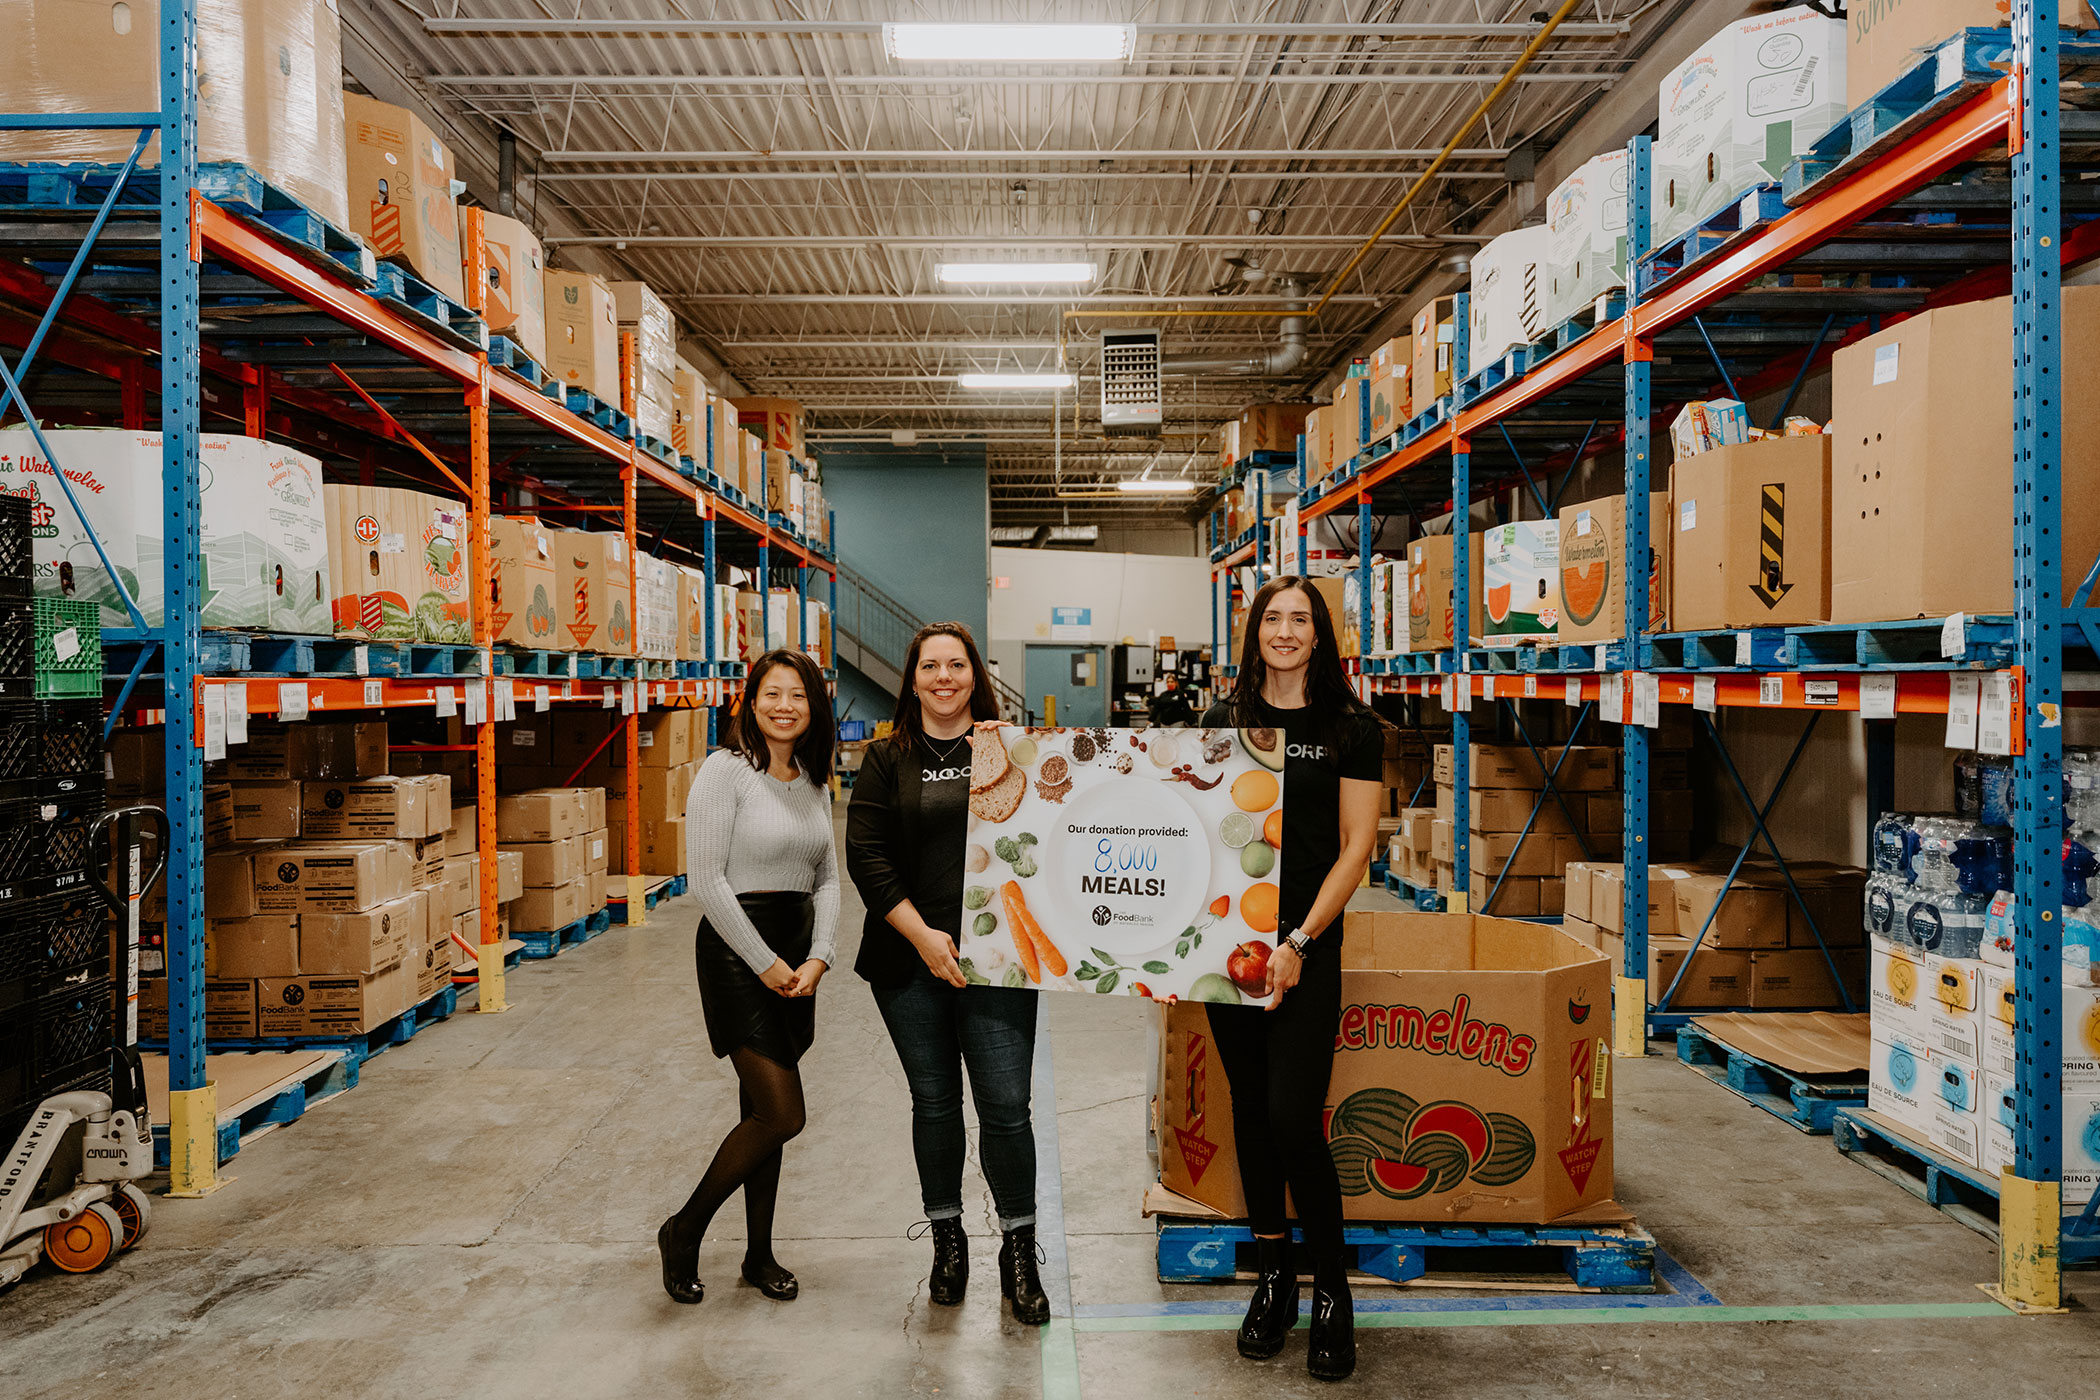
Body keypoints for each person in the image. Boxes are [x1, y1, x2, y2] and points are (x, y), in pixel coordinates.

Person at [1199, 576, 1382, 1382]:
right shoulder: (1221, 721)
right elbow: (1195, 831)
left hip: (1305, 952)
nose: (1283, 632)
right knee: (1248, 1110)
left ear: (1319, 636)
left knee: (1292, 1114)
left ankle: (1333, 1290)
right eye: (1271, 619)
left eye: (1299, 620)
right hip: (1228, 953)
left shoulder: (1352, 727)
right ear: (1254, 632)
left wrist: (1302, 940)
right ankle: (1273, 1276)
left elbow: (1356, 847)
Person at [845, 622, 1049, 1325]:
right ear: (912, 678)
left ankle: (1019, 1248)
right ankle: (948, 1240)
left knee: (1005, 1108)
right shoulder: (885, 759)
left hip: (997, 963)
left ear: (974, 674)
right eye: (929, 666)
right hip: (908, 963)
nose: (942, 677)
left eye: (955, 665)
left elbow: (1052, 840)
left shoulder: (1010, 750)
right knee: (934, 1106)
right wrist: (925, 937)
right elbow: (867, 857)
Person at [659, 649, 838, 1306]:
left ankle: (758, 1255)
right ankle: (684, 1229)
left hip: (797, 949)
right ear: (751, 701)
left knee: (759, 1110)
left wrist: (819, 954)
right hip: (740, 952)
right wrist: (765, 963)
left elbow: (827, 879)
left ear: (813, 705)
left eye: (798, 694)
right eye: (772, 693)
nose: (784, 706)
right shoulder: (723, 772)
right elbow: (707, 881)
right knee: (780, 1111)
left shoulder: (814, 779)